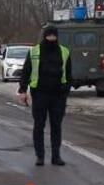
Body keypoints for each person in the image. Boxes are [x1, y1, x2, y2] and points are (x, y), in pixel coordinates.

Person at [17, 24, 72, 166]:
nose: (51, 38)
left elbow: (69, 74)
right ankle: (40, 156)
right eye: (49, 36)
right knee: (39, 125)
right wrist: (23, 90)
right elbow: (26, 72)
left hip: (58, 95)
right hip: (40, 94)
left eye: (54, 36)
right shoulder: (35, 51)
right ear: (45, 36)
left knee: (56, 126)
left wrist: (66, 90)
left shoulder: (64, 52)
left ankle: (56, 156)